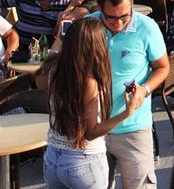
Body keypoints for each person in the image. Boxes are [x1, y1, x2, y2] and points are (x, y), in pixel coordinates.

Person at [89, 0, 169, 189]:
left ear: (132, 4)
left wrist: (145, 89)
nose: (118, 23)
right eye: (111, 18)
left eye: (125, 16)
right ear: (99, 9)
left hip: (134, 128)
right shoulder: (87, 28)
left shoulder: (147, 27)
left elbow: (162, 67)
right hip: (93, 128)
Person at [44, 18, 139, 189]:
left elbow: (48, 61)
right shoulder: (89, 82)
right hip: (83, 161)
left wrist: (59, 39)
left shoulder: (54, 69)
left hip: (52, 159)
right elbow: (91, 132)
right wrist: (127, 112)